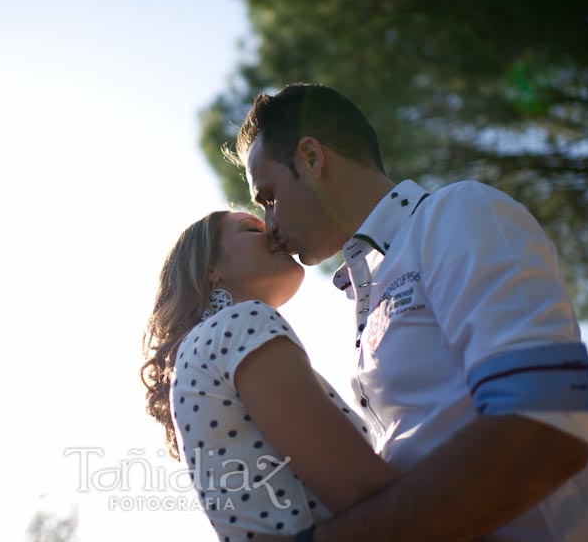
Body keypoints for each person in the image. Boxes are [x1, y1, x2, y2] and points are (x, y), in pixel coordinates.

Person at [234, 84, 588, 541]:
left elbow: (545, 428)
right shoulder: (365, 293)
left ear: (312, 158)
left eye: (269, 197)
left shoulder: (461, 213)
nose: (269, 225)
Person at [141, 210, 400, 541]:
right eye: (251, 228)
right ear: (210, 269)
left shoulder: (202, 349)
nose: (275, 233)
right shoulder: (240, 323)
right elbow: (362, 491)